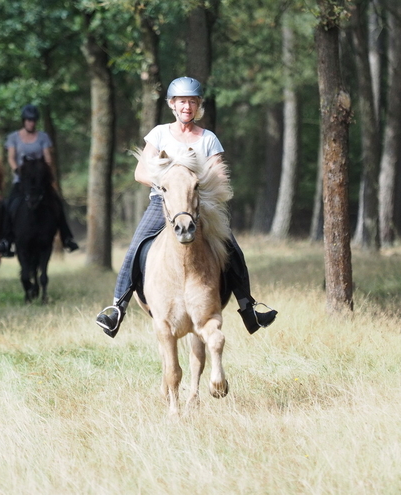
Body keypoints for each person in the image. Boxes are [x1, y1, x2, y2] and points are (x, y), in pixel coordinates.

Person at [95, 77, 277, 338]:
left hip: (198, 204)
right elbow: (140, 172)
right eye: (182, 102)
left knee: (232, 248)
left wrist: (194, 187)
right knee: (136, 246)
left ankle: (249, 308)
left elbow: (219, 176)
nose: (187, 107)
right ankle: (117, 308)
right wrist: (168, 183)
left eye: (192, 102)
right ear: (172, 104)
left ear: (198, 105)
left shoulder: (208, 139)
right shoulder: (159, 134)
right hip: (163, 202)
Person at [0, 104, 78, 256]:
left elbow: (48, 158)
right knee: (9, 205)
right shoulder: (13, 137)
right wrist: (17, 170)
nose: (31, 123)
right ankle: (5, 240)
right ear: (24, 121)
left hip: (40, 182)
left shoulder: (43, 137)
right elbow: (11, 158)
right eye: (28, 120)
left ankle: (67, 238)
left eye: (33, 120)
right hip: (21, 181)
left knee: (57, 203)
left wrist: (43, 170)